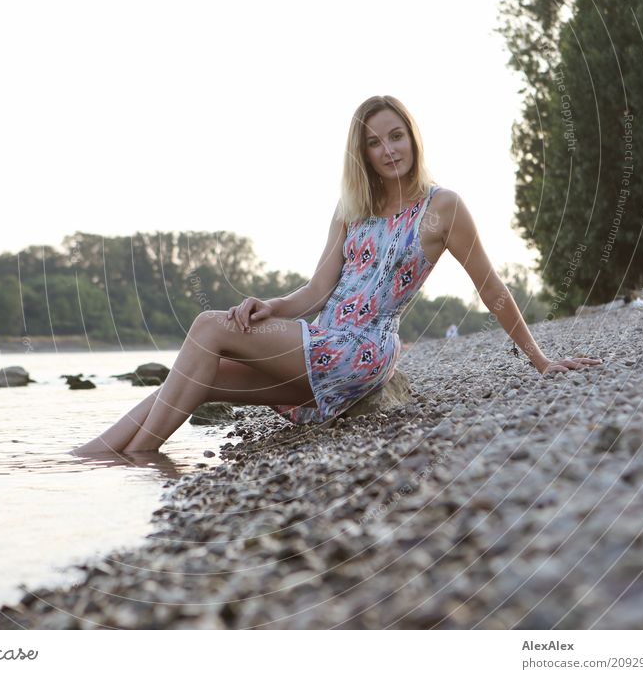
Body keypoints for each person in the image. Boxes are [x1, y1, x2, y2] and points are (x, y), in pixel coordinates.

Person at [70, 95, 601, 456]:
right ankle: (92, 457)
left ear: (413, 139)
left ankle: (133, 462)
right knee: (197, 380)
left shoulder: (443, 208)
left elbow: (490, 287)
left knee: (210, 326)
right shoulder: (353, 207)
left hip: (362, 350)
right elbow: (319, 291)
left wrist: (541, 359)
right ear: (363, 152)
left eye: (397, 136)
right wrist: (272, 308)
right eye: (375, 142)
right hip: (322, 339)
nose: (388, 149)